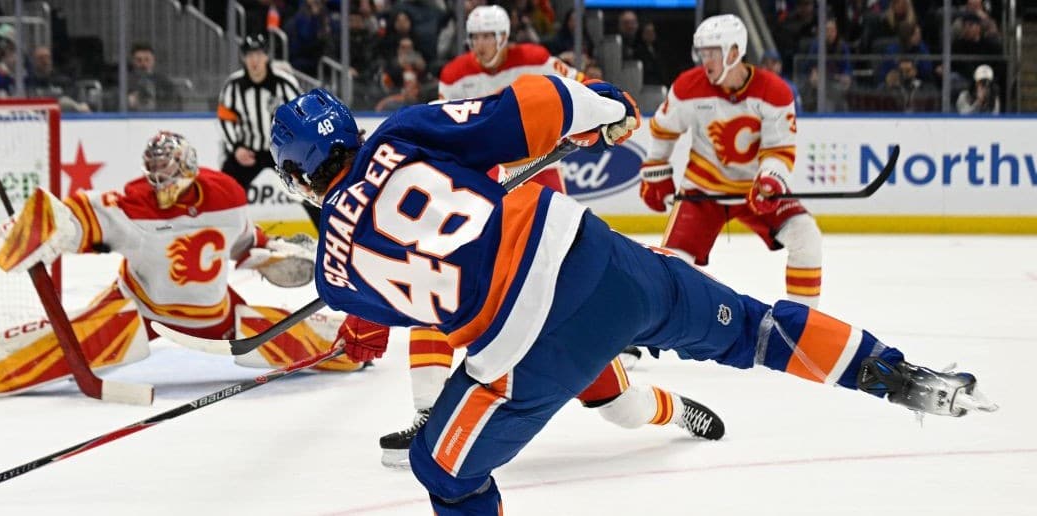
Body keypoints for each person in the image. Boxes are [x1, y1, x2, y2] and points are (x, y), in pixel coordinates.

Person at [270, 77, 996, 513]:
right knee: (753, 327)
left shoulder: (336, 273)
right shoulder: (400, 133)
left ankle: (669, 406)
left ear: (298, 178)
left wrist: (326, 266)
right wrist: (606, 108)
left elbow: (421, 308)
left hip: (527, 352)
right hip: (598, 261)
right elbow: (529, 107)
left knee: (441, 469)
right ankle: (896, 374)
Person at [371, 3, 718, 470]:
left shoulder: (533, 59)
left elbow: (573, 92)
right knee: (432, 303)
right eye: (474, 39)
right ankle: (430, 415)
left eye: (488, 38)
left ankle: (674, 407)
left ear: (505, 36)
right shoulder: (454, 102)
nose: (480, 47)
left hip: (545, 260)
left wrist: (597, 113)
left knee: (622, 407)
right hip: (500, 294)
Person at [0, 132, 360, 399]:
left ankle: (353, 345)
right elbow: (82, 213)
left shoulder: (226, 195)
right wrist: (49, 226)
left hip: (213, 313)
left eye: (169, 178)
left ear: (189, 170)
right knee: (76, 342)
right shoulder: (136, 204)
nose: (161, 188)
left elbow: (241, 242)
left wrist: (271, 254)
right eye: (155, 178)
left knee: (293, 337)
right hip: (142, 306)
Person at [639, 15, 823, 308]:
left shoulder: (774, 91)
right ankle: (656, 331)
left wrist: (770, 180)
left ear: (734, 53)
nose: (705, 60)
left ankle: (803, 326)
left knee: (807, 237)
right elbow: (664, 129)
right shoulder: (689, 86)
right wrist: (655, 170)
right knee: (672, 265)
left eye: (712, 53)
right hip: (702, 190)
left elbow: (780, 149)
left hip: (755, 190)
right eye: (702, 53)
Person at [217, 34, 320, 231]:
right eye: (249, 55)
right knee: (226, 192)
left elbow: (301, 115)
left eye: (258, 54)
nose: (254, 60)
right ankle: (225, 234)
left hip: (283, 151)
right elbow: (225, 119)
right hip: (247, 150)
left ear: (266, 56)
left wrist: (298, 149)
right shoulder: (233, 86)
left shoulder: (284, 82)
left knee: (307, 190)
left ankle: (327, 232)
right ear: (243, 58)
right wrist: (236, 148)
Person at [127, 42, 179, 111]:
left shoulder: (164, 82)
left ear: (153, 60)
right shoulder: (125, 82)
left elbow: (175, 104)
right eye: (139, 60)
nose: (143, 64)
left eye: (147, 60)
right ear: (133, 61)